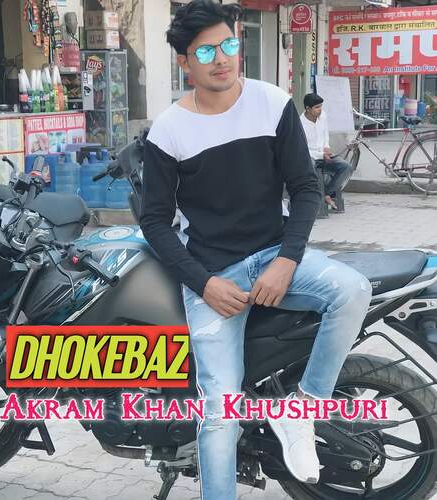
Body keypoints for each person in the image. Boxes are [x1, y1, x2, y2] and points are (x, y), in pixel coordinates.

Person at [139, 2, 372, 499]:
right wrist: (203, 283)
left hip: (273, 255)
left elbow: (306, 189)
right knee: (219, 415)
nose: (221, 58)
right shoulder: (169, 130)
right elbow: (155, 222)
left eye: (228, 44)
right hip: (212, 275)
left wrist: (286, 261)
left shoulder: (271, 103)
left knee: (352, 289)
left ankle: (303, 410)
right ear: (185, 62)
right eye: (206, 51)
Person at [300, 93, 354, 211]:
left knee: (346, 167)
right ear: (308, 108)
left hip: (324, 155)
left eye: (321, 106)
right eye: (317, 107)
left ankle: (328, 194)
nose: (320, 110)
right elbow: (303, 149)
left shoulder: (323, 116)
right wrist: (321, 154)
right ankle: (318, 198)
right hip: (310, 157)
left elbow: (325, 135)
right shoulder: (300, 124)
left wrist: (326, 146)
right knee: (311, 166)